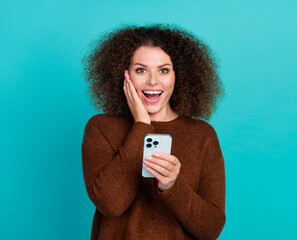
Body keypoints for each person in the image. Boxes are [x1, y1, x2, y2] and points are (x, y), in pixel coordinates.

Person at [81, 24, 225, 240]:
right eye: (141, 70)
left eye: (164, 70)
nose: (153, 81)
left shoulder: (203, 135)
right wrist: (142, 126)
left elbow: (210, 230)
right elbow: (110, 205)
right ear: (125, 74)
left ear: (179, 76)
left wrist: (172, 186)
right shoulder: (101, 128)